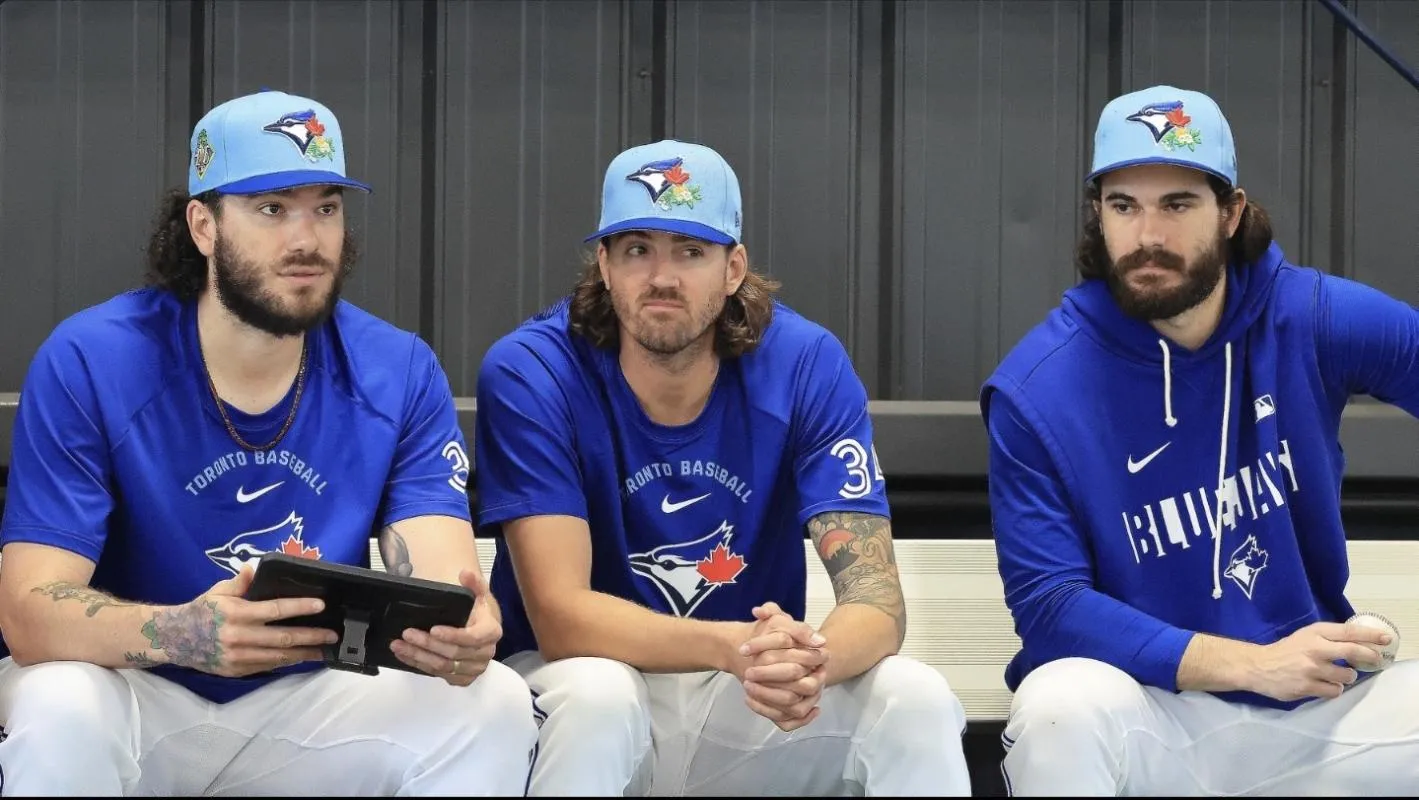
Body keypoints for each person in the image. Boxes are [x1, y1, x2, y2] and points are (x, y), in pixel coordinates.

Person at [0, 89, 537, 796]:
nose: (306, 239)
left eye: (325, 207)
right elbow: (28, 613)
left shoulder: (396, 368)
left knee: (490, 702)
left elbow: (441, 579)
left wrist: (463, 634)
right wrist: (185, 632)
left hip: (314, 698)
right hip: (136, 689)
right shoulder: (92, 358)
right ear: (202, 225)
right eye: (271, 209)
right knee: (55, 698)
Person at [472, 139, 971, 796]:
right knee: (598, 695)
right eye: (635, 249)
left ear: (733, 267)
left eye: (690, 251)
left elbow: (876, 601)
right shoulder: (532, 370)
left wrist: (806, 664)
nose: (661, 276)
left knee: (916, 697)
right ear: (603, 264)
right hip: (583, 685)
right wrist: (732, 645)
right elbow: (563, 622)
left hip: (743, 686)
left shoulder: (804, 363)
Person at [980, 84, 1419, 795]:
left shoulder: (1306, 316)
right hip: (1150, 714)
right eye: (1123, 205)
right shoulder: (1035, 388)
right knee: (1058, 707)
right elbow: (1050, 607)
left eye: (1177, 204)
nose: (1147, 235)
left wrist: (1283, 669)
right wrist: (1250, 663)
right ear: (1097, 214)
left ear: (1230, 213)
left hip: (1318, 714)